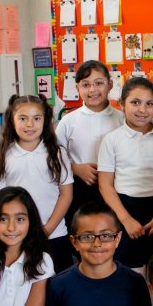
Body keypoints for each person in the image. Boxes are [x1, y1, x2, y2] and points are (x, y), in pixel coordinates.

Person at [0, 94, 73, 306]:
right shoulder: (2, 155)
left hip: (52, 234)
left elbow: (66, 194)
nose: (29, 124)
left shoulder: (56, 153)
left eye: (36, 118)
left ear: (45, 121)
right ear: (12, 121)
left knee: (49, 287)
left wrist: (47, 228)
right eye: (22, 118)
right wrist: (8, 231)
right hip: (14, 237)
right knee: (17, 286)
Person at [98, 77, 153, 274]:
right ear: (121, 104)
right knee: (132, 274)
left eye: (149, 104)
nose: (142, 110)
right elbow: (105, 185)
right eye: (135, 102)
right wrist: (126, 219)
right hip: (125, 209)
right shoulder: (112, 140)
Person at [55, 60, 124, 226]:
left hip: (115, 188)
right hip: (79, 189)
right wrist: (75, 169)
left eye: (99, 83)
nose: (92, 90)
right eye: (85, 85)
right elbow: (53, 157)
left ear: (110, 84)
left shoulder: (122, 119)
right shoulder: (68, 121)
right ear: (77, 88)